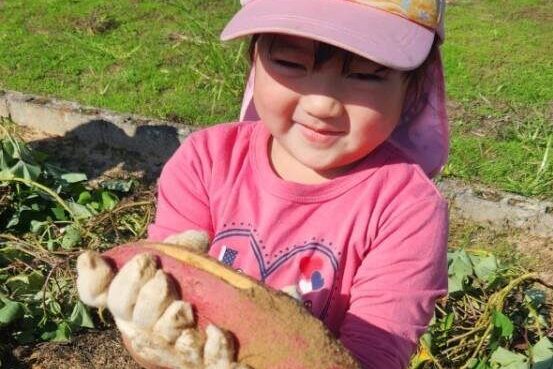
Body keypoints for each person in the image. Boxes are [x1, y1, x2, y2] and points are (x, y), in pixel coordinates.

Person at [77, 0, 449, 368]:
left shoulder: (408, 209)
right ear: (254, 59)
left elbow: (374, 356)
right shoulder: (205, 162)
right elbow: (162, 307)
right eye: (290, 62)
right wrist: (150, 342)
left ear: (415, 87)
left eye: (366, 74)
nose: (322, 103)